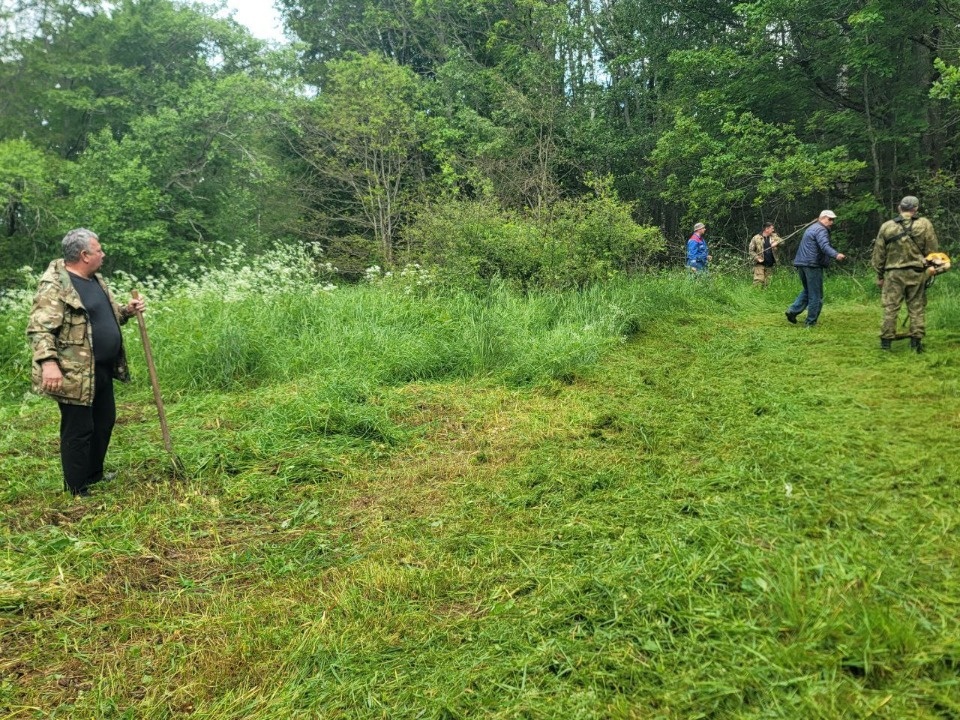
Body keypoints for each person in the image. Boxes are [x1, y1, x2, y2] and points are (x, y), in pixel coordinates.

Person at [26, 228, 145, 497]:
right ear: (84, 255)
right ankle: (77, 488)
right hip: (73, 372)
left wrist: (127, 311)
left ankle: (94, 474)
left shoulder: (96, 280)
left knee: (104, 421)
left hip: (100, 368)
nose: (103, 254)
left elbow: (105, 317)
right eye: (99, 250)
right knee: (79, 430)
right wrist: (49, 363)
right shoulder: (55, 285)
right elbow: (39, 329)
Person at [871, 196, 939, 353]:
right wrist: (931, 268)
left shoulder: (887, 226)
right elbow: (932, 250)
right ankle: (916, 343)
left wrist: (880, 275)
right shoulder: (924, 224)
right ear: (915, 209)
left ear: (899, 208)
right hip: (917, 272)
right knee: (916, 307)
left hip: (893, 274)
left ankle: (886, 344)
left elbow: (879, 254)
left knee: (890, 307)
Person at [785, 210, 846, 327]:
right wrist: (836, 254)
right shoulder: (821, 230)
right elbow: (824, 246)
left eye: (833, 219)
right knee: (816, 295)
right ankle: (810, 322)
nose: (832, 222)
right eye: (830, 219)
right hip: (812, 265)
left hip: (801, 263)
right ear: (822, 218)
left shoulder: (812, 228)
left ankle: (792, 311)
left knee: (808, 290)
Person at [748, 222, 783, 287]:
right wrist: (757, 257)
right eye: (772, 228)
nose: (773, 230)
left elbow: (783, 241)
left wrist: (777, 242)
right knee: (758, 283)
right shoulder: (756, 238)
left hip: (770, 265)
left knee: (768, 284)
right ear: (767, 229)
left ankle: (765, 297)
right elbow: (751, 251)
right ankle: (755, 296)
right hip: (759, 265)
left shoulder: (774, 236)